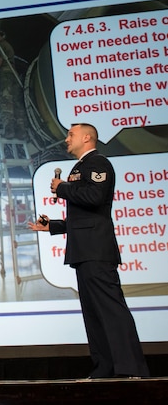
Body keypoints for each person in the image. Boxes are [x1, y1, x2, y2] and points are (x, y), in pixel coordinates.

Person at [28, 123, 149, 379]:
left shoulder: (98, 163)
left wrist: (61, 188)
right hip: (83, 251)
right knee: (93, 315)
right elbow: (83, 216)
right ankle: (104, 369)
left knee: (111, 311)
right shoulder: (80, 167)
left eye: (70, 134)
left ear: (86, 138)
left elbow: (94, 197)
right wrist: (53, 226)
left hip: (97, 251)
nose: (66, 138)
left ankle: (130, 370)